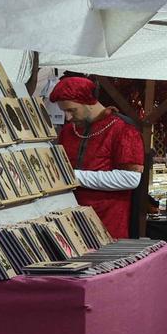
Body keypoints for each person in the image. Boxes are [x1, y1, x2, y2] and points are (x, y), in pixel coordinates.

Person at [49, 76, 145, 239]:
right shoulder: (68, 131)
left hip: (108, 225)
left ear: (88, 102)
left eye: (72, 110)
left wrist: (74, 176)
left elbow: (130, 178)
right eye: (64, 111)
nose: (68, 117)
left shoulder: (123, 129)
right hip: (71, 224)